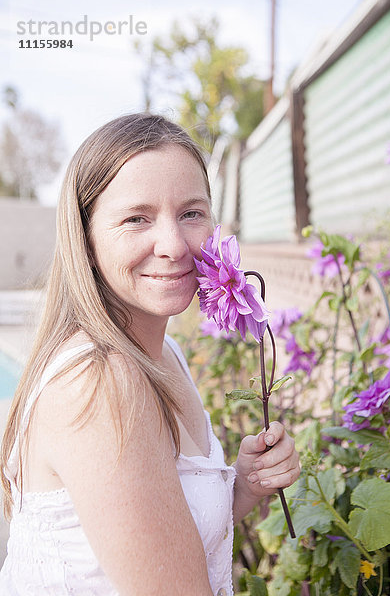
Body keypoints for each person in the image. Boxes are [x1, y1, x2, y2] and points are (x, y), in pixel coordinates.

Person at [0, 113, 300, 595]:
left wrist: (243, 487)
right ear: (87, 237)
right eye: (136, 218)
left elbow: (167, 533)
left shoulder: (166, 355)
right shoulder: (99, 383)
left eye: (191, 213)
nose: (174, 245)